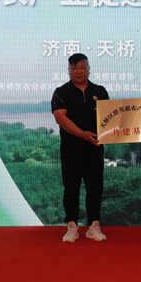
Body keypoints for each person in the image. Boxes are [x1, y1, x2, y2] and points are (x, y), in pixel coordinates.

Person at [51, 53, 109, 243]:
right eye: (74, 68)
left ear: (88, 69)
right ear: (69, 70)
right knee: (71, 187)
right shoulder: (61, 92)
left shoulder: (100, 91)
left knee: (95, 187)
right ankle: (72, 226)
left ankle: (94, 226)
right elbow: (60, 118)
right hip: (71, 149)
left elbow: (110, 118)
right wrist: (82, 134)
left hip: (95, 148)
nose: (78, 71)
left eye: (82, 67)